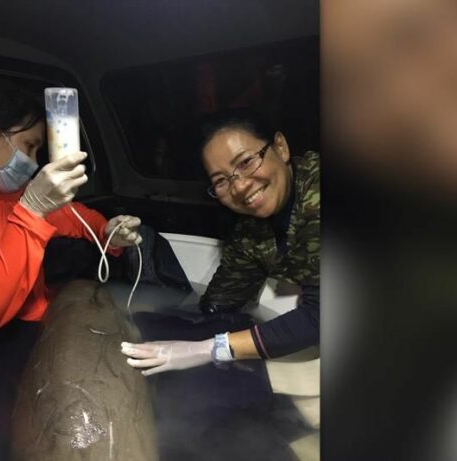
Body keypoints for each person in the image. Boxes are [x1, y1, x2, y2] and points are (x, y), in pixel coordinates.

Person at [121, 110, 319, 375]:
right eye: (221, 181)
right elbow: (219, 305)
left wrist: (210, 349)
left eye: (246, 162)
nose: (239, 188)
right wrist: (153, 321)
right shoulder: (251, 231)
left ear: (280, 147)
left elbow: (322, 316)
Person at [0, 80, 143, 338]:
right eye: (29, 146)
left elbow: (71, 215)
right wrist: (30, 211)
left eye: (38, 151)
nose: (32, 162)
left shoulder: (10, 197)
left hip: (41, 324)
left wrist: (106, 232)